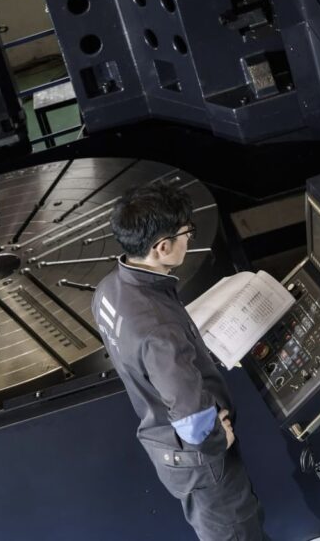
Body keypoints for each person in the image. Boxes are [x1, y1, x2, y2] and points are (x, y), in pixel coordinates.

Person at [92, 181, 267, 540]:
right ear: (162, 247)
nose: (190, 239)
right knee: (237, 531)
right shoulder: (159, 333)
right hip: (203, 463)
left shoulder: (110, 288)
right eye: (187, 232)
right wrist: (219, 439)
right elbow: (191, 417)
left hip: (166, 447)